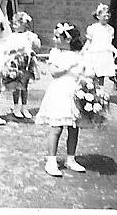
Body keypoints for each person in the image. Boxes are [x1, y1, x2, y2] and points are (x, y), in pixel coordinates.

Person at [36, 22, 87, 176]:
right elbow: (53, 72)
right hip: (59, 92)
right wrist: (67, 67)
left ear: (68, 40)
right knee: (57, 128)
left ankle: (70, 159)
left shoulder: (78, 55)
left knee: (73, 127)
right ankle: (51, 161)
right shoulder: (56, 53)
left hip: (74, 91)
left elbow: (84, 71)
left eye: (57, 37)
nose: (54, 39)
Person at [4, 11, 40, 119]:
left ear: (24, 25)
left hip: (26, 62)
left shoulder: (29, 35)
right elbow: (8, 49)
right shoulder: (11, 36)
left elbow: (37, 46)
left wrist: (34, 40)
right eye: (13, 23)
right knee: (16, 85)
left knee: (25, 85)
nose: (13, 25)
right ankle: (16, 107)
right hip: (16, 63)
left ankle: (24, 107)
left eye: (17, 24)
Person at [82, 3, 117, 86]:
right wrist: (83, 51)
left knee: (104, 75)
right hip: (95, 53)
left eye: (108, 16)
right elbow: (89, 42)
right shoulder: (93, 28)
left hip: (106, 54)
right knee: (94, 75)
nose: (106, 18)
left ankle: (103, 92)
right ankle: (95, 92)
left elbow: (109, 44)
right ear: (98, 16)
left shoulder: (110, 29)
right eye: (104, 16)